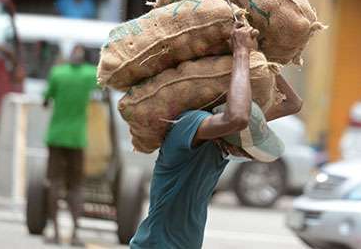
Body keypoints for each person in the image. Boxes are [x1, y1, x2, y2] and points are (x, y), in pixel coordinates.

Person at [129, 22, 303, 249]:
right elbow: (238, 118)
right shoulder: (189, 125)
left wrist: (259, 56)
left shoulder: (223, 140)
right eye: (246, 146)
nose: (243, 152)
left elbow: (293, 104)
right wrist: (241, 53)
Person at [43, 45, 98, 246]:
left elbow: (45, 100)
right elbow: (102, 86)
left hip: (56, 136)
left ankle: (55, 232)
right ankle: (74, 234)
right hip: (77, 139)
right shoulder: (88, 74)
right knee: (76, 186)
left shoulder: (58, 73)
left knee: (54, 183)